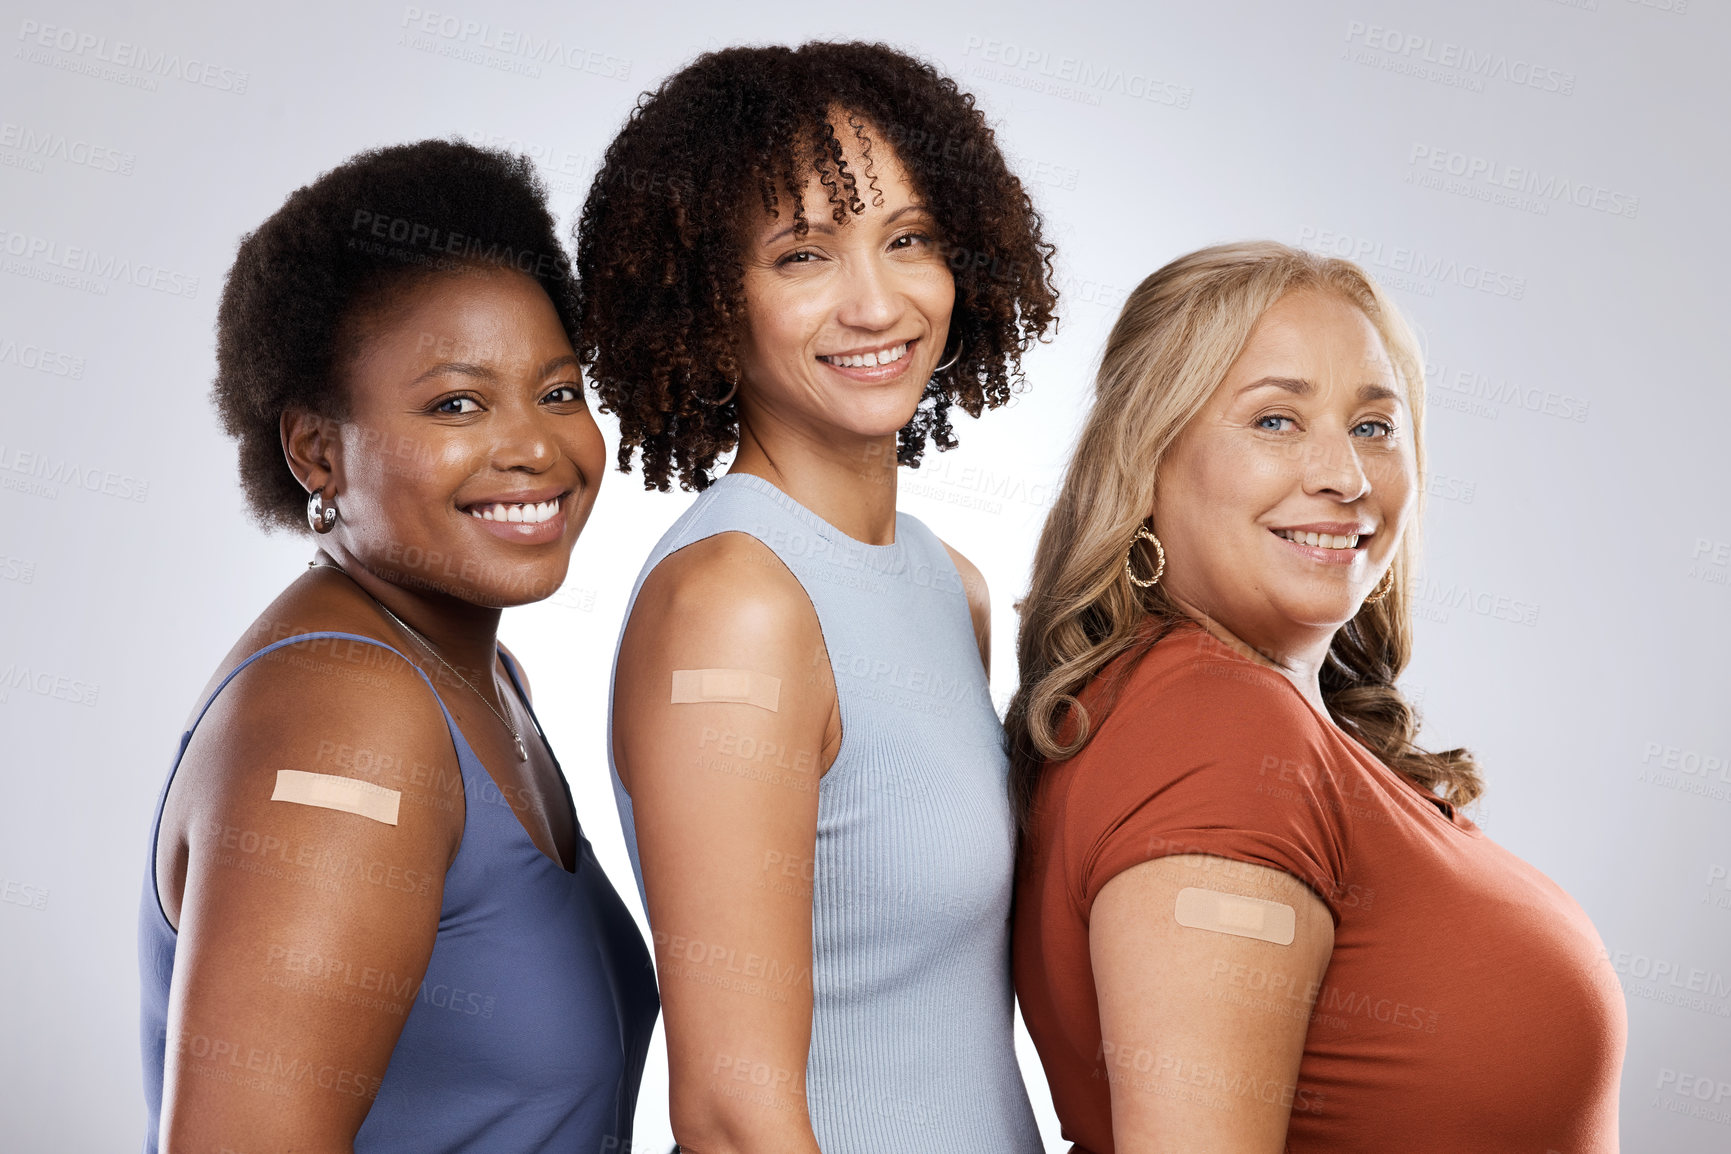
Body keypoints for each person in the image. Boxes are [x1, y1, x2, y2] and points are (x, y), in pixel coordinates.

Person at [1007, 241, 1626, 1153]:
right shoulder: (1214, 734)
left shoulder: (1244, 719)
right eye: (1275, 421)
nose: (1345, 477)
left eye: (1373, 426)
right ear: (1146, 459)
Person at [574, 41, 1058, 1152]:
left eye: (910, 238)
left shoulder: (950, 586)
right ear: (708, 300)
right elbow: (733, 1113)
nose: (877, 301)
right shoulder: (733, 605)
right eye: (803, 256)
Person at [137, 139, 657, 1153]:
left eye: (558, 390)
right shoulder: (345, 720)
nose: (535, 447)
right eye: (455, 403)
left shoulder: (483, 679)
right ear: (316, 449)